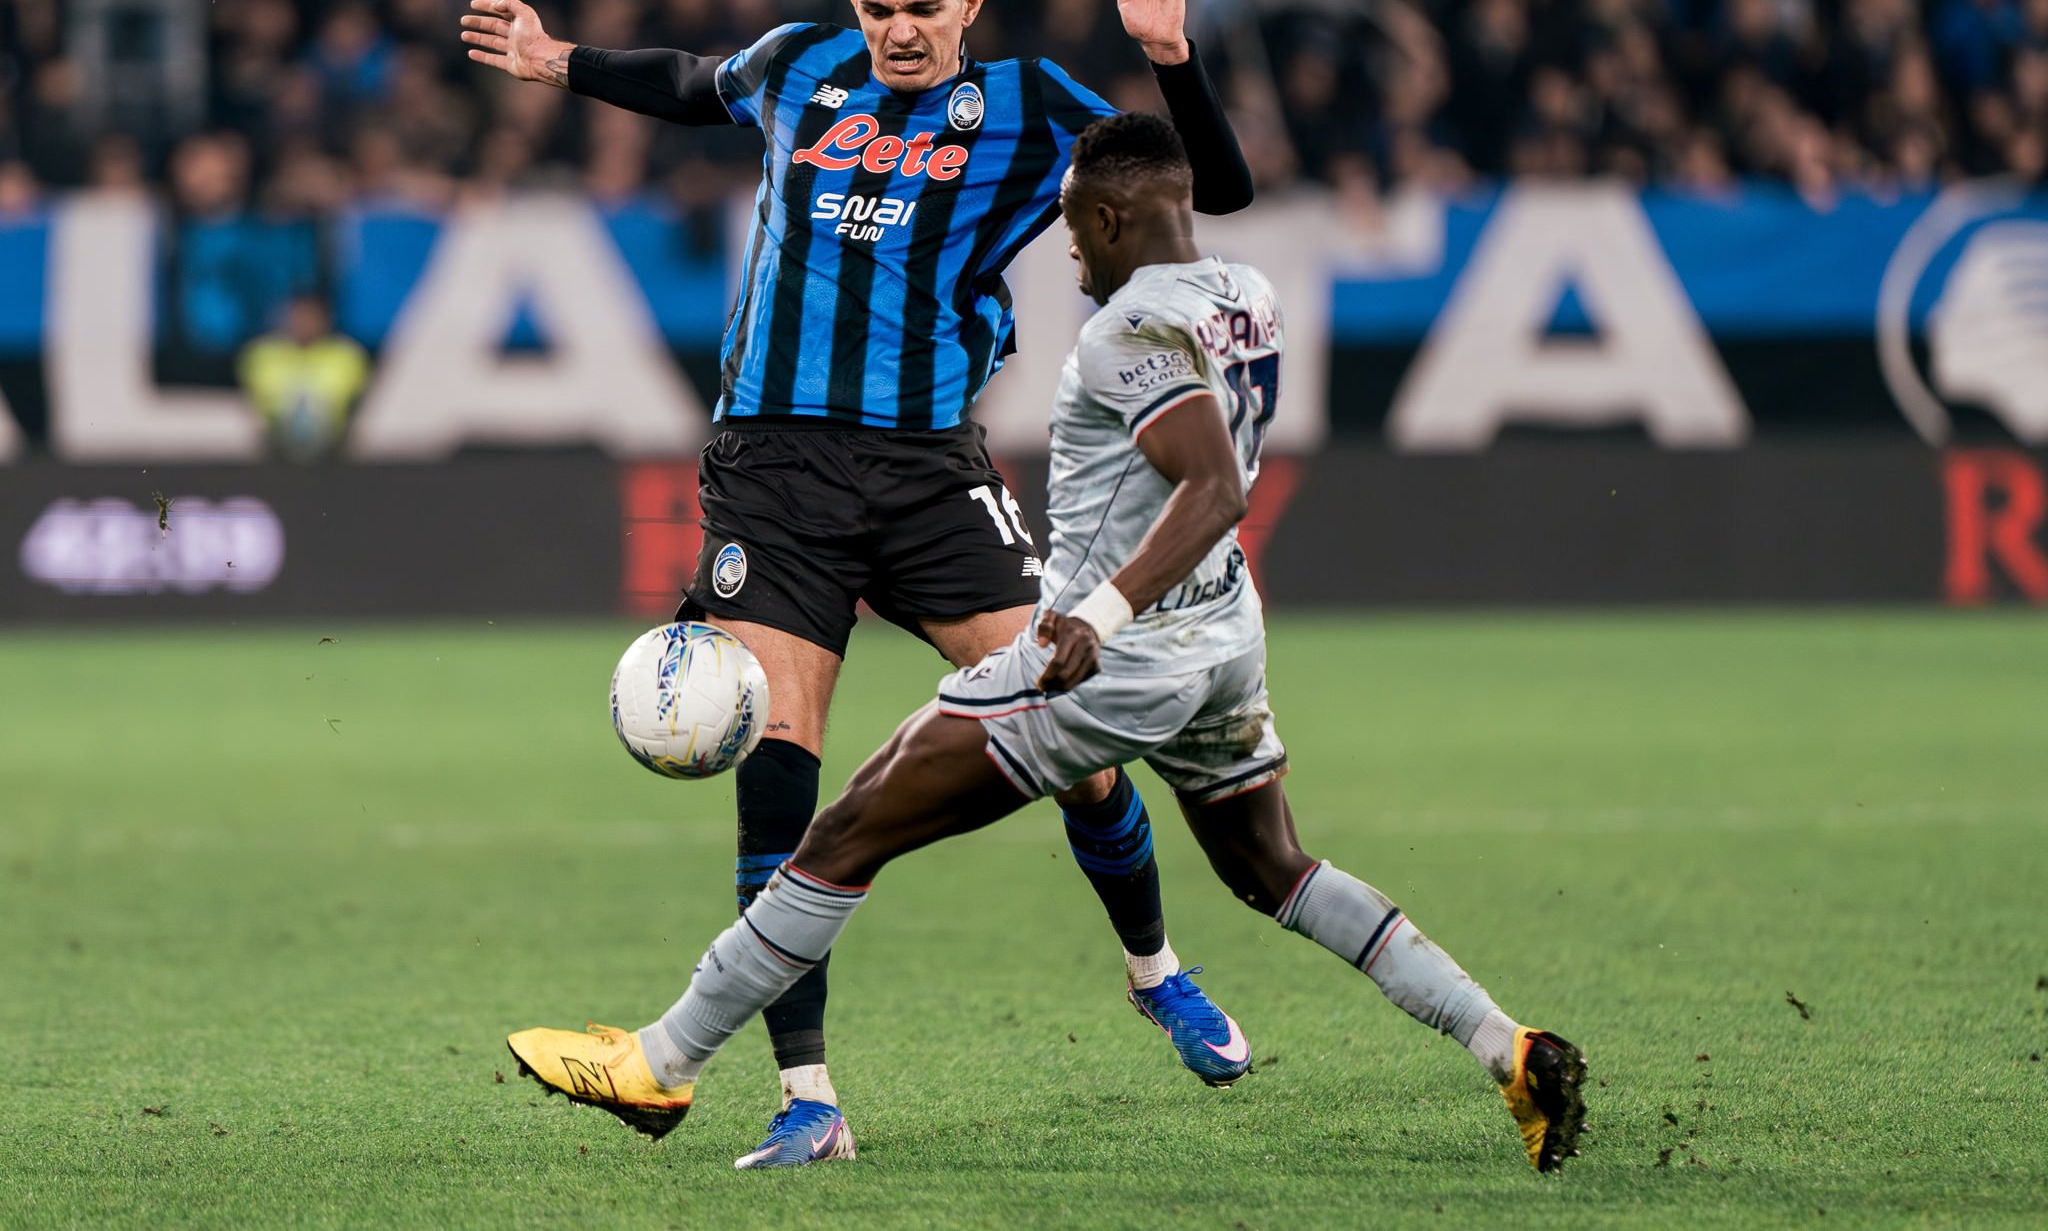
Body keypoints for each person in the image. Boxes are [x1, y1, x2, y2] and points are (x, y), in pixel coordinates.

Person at [507, 112, 1591, 1174]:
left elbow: (1211, 486)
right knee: (1276, 870)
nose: (1066, 246)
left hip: (1109, 659)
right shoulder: (1241, 293)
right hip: (1223, 639)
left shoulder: (1124, 334)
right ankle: (1506, 1046)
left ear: (1114, 217)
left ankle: (661, 1060)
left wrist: (1097, 619)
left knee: (841, 835)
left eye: (1074, 223)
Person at [463, 0, 1258, 1167]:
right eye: (877, 8)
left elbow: (1211, 187)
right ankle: (809, 1099)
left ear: (969, 7)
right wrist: (560, 59)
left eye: (921, 10)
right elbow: (685, 82)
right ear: (854, 3)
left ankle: (1154, 968)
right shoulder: (794, 67)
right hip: (769, 469)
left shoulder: (1032, 106)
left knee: (1076, 731)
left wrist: (1169, 55)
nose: (896, 32)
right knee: (781, 774)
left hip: (926, 472)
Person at [236, 293, 370, 461]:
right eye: (298, 316)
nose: (304, 323)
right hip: (276, 447)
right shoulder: (260, 354)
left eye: (310, 316)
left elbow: (344, 399)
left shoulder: (348, 355)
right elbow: (266, 400)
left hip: (333, 448)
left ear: (325, 319)